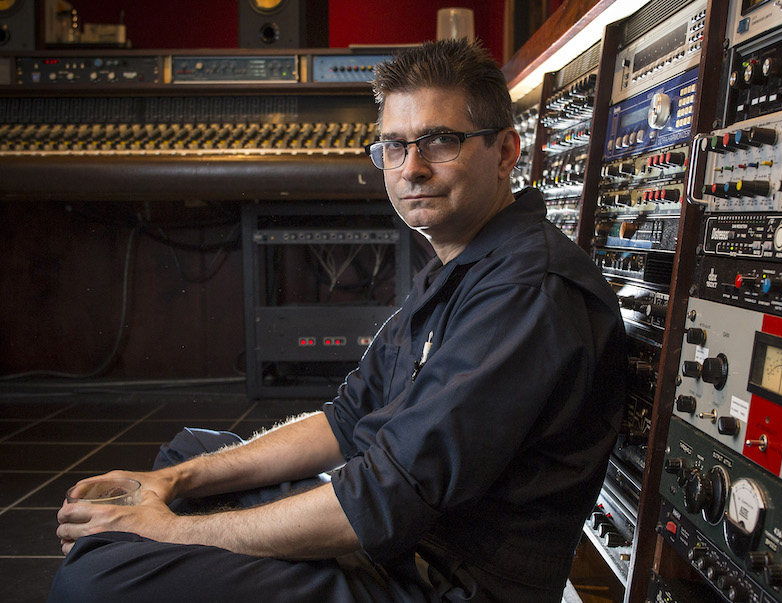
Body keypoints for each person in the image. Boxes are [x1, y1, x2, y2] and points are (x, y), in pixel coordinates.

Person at [50, 39, 627, 603]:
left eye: (440, 142)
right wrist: (174, 486)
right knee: (186, 457)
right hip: (394, 541)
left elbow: (381, 500)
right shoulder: (464, 262)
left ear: (505, 152)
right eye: (394, 147)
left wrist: (170, 532)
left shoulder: (527, 291)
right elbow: (347, 420)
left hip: (436, 581)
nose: (412, 169)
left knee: (97, 578)